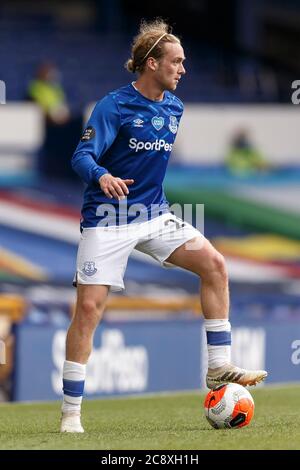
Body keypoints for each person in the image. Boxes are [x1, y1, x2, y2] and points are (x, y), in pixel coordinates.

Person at [61, 19, 267, 433]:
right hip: (107, 218)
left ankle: (216, 368)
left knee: (215, 265)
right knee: (87, 310)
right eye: (176, 61)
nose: (183, 69)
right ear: (151, 63)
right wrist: (102, 175)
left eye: (185, 62)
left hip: (152, 216)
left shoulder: (175, 106)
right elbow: (80, 156)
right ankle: (71, 414)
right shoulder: (113, 106)